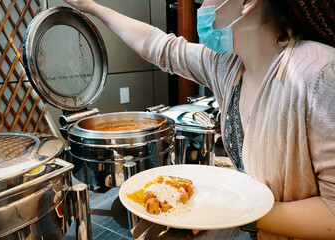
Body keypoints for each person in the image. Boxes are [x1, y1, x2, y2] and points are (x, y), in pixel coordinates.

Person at [63, 0, 335, 239]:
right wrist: (92, 6)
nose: (200, 6)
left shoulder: (320, 74)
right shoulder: (227, 64)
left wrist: (229, 212)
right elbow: (160, 47)